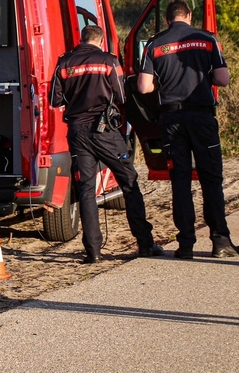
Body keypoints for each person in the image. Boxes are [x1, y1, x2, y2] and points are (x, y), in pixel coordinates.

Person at [135, 0, 239, 259]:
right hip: (202, 117)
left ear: (167, 19)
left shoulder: (154, 44)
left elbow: (143, 87)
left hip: (172, 120)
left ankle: (185, 244)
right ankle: (220, 241)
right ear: (190, 15)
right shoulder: (207, 39)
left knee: (180, 181)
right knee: (211, 180)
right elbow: (223, 79)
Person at [49, 24, 163, 263]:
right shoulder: (108, 60)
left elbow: (55, 100)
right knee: (129, 182)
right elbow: (121, 96)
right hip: (105, 130)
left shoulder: (64, 62)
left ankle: (93, 251)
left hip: (77, 132)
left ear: (81, 40)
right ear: (101, 41)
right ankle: (144, 243)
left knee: (86, 190)